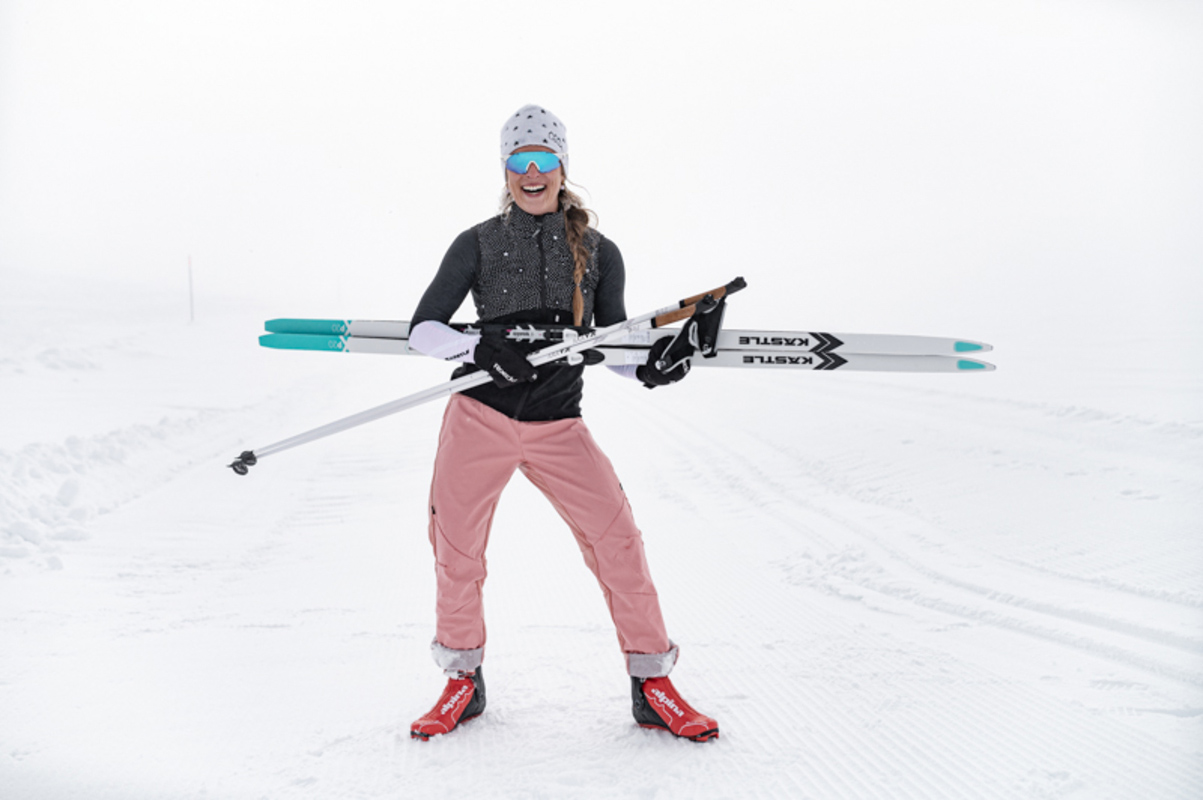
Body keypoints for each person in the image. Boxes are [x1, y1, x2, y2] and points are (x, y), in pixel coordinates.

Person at [405, 104, 717, 743]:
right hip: (479, 416)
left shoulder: (599, 253)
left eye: (543, 159)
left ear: (562, 167)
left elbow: (612, 347)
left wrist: (653, 367)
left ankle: (652, 683)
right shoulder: (477, 243)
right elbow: (424, 331)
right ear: (505, 170)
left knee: (618, 543)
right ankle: (462, 679)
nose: (532, 172)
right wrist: (479, 350)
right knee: (457, 551)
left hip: (559, 424)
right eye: (519, 161)